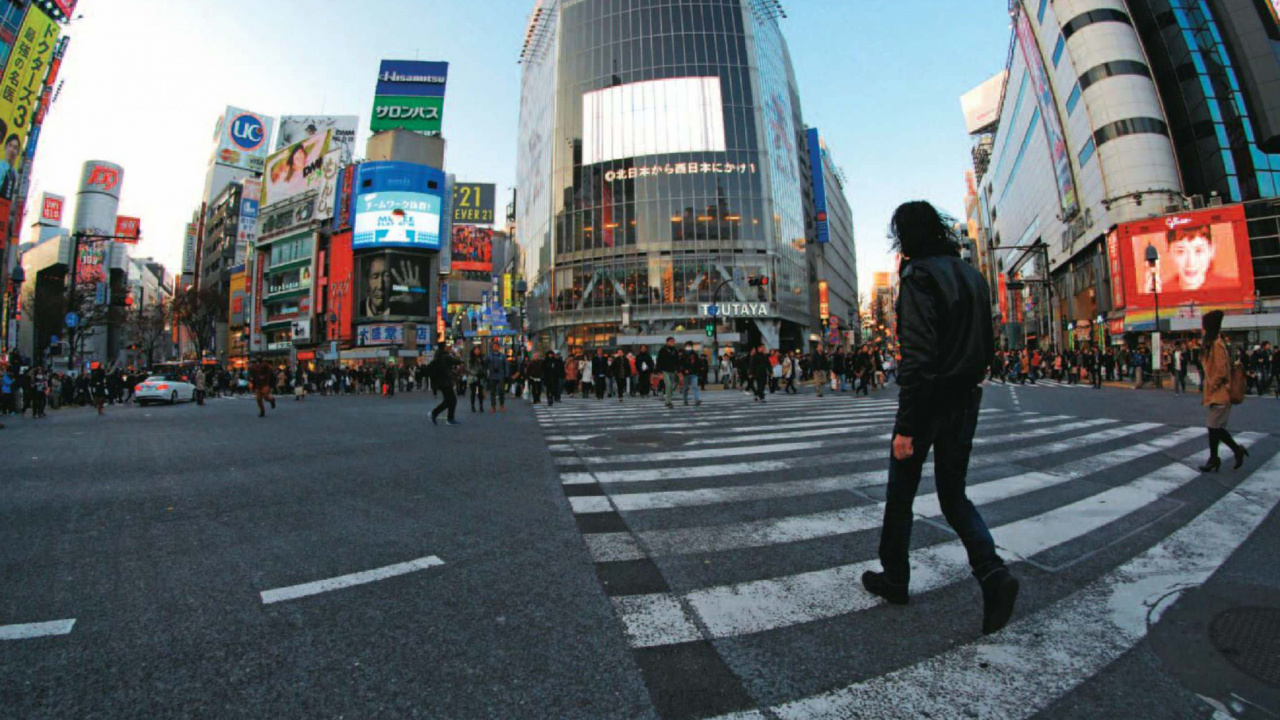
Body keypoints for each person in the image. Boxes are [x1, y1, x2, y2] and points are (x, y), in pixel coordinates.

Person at [861, 200, 1018, 636]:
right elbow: (987, 348)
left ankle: (895, 579)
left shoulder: (918, 277)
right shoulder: (971, 275)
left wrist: (908, 425)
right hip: (965, 399)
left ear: (904, 235)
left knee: (901, 494)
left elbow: (918, 357)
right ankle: (993, 575)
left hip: (928, 401)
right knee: (954, 496)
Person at [1198, 311, 1248, 472]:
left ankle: (1219, 457)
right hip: (1216, 392)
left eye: (1204, 325)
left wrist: (1212, 385)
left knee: (1213, 427)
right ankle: (1226, 454)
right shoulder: (1212, 343)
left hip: (1219, 392)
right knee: (1215, 428)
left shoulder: (1217, 344)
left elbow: (1221, 369)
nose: (1201, 329)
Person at [429, 344, 462, 426]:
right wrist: (456, 354)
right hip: (445, 381)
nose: (449, 348)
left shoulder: (438, 356)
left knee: (449, 400)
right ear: (444, 348)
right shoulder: (445, 356)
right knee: (451, 400)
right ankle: (436, 414)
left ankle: (447, 417)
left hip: (441, 381)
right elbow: (458, 361)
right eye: (447, 347)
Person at [656, 337, 680, 409]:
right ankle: (668, 402)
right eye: (670, 341)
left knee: (671, 387)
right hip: (664, 370)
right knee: (668, 385)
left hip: (673, 371)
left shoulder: (675, 351)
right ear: (667, 342)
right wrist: (659, 371)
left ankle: (669, 399)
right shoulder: (662, 350)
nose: (672, 342)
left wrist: (678, 371)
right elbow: (659, 361)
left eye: (673, 341)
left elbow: (677, 362)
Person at [485, 341, 509, 413]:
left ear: (499, 347)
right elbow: (485, 365)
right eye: (494, 346)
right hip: (492, 375)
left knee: (501, 391)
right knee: (492, 392)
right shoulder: (489, 356)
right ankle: (493, 406)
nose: (495, 347)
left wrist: (506, 375)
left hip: (501, 375)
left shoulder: (502, 356)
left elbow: (506, 365)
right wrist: (486, 374)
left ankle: (501, 405)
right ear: (492, 347)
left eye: (496, 346)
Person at [680, 342, 702, 406]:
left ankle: (697, 399)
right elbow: (681, 364)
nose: (688, 347)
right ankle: (685, 400)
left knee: (695, 386)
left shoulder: (695, 354)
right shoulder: (683, 355)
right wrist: (684, 370)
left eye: (689, 346)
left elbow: (698, 363)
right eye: (687, 346)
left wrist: (698, 371)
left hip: (694, 373)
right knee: (686, 388)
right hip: (686, 374)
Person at [467, 346, 487, 413]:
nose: (477, 351)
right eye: (476, 350)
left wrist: (483, 373)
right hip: (473, 377)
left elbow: (484, 367)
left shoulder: (481, 358)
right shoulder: (470, 358)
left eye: (478, 350)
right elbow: (468, 368)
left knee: (480, 393)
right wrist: (475, 373)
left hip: (480, 377)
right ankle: (472, 406)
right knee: (473, 392)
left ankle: (481, 406)